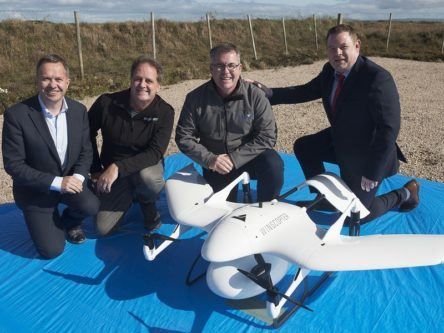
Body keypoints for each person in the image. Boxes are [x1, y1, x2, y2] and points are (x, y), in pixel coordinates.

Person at [253, 24, 419, 222]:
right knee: (305, 146)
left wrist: (373, 171)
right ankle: (324, 196)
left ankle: (406, 193)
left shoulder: (377, 78)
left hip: (368, 153)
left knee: (356, 216)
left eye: (343, 47)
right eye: (332, 48)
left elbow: (389, 129)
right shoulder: (329, 71)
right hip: (341, 140)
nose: (337, 53)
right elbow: (304, 91)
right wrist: (268, 93)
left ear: (357, 46)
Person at [2, 54, 100, 259]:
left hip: (68, 183)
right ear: (37, 81)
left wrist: (79, 178)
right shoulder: (17, 115)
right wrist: (57, 183)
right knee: (51, 250)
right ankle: (45, 218)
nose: (52, 84)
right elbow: (14, 165)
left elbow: (86, 150)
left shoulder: (79, 110)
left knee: (91, 205)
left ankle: (70, 220)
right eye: (46, 78)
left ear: (67, 82)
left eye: (58, 79)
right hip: (36, 190)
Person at [175, 43, 283, 202]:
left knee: (273, 165)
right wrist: (210, 160)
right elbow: (183, 137)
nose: (226, 72)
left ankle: (267, 207)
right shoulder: (195, 98)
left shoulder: (256, 96)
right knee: (221, 212)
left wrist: (234, 159)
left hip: (249, 157)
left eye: (231, 65)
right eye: (219, 66)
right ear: (211, 69)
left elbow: (268, 135)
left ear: (240, 68)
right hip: (216, 163)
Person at [89, 55, 174, 236]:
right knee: (103, 229)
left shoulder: (165, 112)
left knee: (149, 179)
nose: (142, 84)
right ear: (131, 80)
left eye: (149, 81)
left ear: (158, 85)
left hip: (144, 168)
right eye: (138, 79)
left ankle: (147, 203)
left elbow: (155, 153)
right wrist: (95, 169)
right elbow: (86, 134)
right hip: (114, 174)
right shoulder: (106, 103)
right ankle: (126, 193)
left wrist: (117, 167)